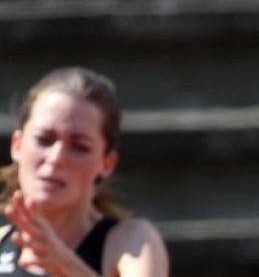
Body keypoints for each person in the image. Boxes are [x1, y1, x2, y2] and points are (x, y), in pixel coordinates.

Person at [0, 67, 169, 277]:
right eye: (44, 140)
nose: (55, 158)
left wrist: (68, 267)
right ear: (17, 145)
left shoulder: (131, 241)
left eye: (79, 147)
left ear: (107, 163)